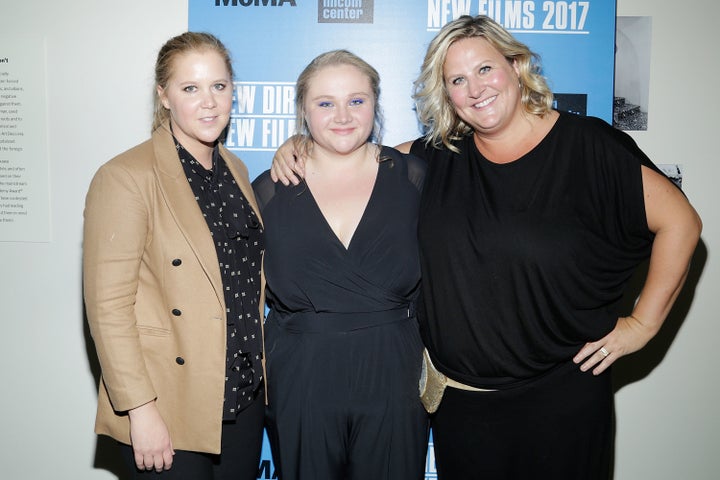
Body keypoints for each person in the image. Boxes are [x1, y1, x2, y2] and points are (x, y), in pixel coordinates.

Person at [270, 15, 702, 479]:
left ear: (516, 67)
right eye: (457, 79)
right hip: (464, 407)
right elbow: (356, 156)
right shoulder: (435, 158)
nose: (475, 89)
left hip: (561, 400)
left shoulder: (589, 147)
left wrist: (642, 324)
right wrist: (303, 145)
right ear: (447, 94)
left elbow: (681, 221)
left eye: (485, 70)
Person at [83, 32, 266, 479]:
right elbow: (108, 308)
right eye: (190, 88)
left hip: (241, 398)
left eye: (219, 86)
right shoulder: (126, 176)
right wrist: (139, 411)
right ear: (163, 96)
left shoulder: (236, 170)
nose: (208, 103)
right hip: (167, 403)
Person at [252, 50, 428, 480]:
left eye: (357, 100)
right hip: (301, 375)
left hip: (395, 374)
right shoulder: (267, 190)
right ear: (303, 111)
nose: (343, 115)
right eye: (325, 103)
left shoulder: (415, 178)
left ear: (375, 104)